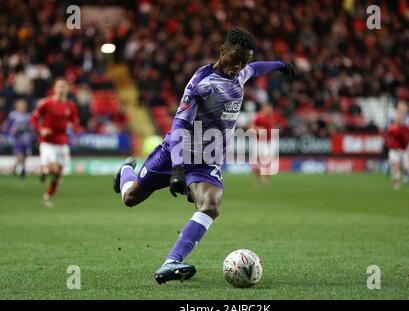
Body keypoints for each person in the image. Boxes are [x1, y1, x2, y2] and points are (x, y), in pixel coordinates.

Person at [112, 27, 294, 284]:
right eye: (236, 58)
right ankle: (126, 172)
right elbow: (178, 126)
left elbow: (256, 69)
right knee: (130, 198)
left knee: (210, 205)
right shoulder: (201, 84)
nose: (240, 65)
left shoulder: (240, 72)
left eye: (245, 60)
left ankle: (171, 262)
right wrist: (176, 169)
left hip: (206, 159)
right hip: (175, 153)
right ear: (222, 50)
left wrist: (279, 64)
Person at [31, 78, 80, 206]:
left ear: (67, 89)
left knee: (58, 174)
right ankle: (45, 170)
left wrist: (74, 129)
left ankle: (48, 196)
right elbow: (34, 118)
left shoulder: (70, 106)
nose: (61, 89)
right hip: (48, 142)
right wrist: (41, 129)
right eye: (59, 86)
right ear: (55, 88)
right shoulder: (46, 103)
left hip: (62, 142)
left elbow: (75, 121)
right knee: (54, 169)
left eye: (64, 86)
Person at [251, 103, 287, 185]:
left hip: (269, 141)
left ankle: (266, 178)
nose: (269, 110)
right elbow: (252, 127)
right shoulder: (259, 117)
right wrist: (258, 129)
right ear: (264, 109)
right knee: (258, 160)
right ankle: (258, 178)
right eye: (267, 109)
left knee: (267, 160)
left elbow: (281, 124)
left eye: (270, 109)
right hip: (260, 141)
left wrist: (275, 128)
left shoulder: (273, 117)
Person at [3, 99, 32, 185]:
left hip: (26, 140)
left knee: (23, 160)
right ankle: (20, 176)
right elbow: (7, 126)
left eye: (24, 105)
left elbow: (32, 127)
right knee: (20, 157)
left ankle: (16, 170)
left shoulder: (29, 116)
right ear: (17, 106)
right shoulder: (13, 115)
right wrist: (12, 131)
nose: (23, 107)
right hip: (17, 140)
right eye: (21, 105)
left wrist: (30, 129)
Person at [385, 111, 409, 189]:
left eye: (400, 118)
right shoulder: (392, 129)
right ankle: (396, 184)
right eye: (398, 118)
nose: (399, 120)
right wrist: (390, 144)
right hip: (394, 150)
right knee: (395, 166)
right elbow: (388, 138)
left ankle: (405, 179)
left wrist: (407, 145)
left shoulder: (406, 129)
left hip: (403, 150)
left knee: (406, 165)